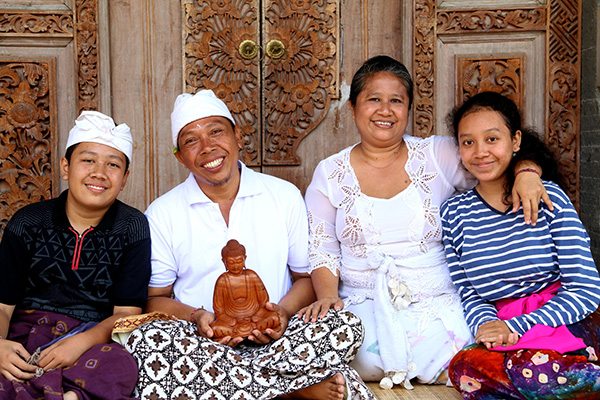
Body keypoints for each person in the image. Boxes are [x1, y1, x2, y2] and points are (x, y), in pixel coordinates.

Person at [298, 55, 551, 390]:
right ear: (353, 108)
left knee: (485, 360)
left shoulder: (438, 155)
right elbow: (323, 248)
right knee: (309, 346)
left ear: (408, 109)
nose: (385, 110)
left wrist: (528, 171)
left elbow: (496, 152)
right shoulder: (330, 173)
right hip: (362, 310)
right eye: (374, 99)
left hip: (438, 307)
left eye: (396, 101)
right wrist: (328, 297)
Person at [125, 89, 374, 400]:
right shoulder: (164, 212)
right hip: (205, 344)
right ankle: (289, 391)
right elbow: (156, 299)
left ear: (238, 136)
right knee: (147, 341)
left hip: (279, 340)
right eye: (191, 140)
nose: (207, 147)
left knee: (343, 324)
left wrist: (281, 313)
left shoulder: (282, 196)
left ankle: (232, 387)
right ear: (180, 156)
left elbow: (305, 279)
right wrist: (199, 318)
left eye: (216, 131)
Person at [441, 91, 600, 399]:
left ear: (515, 142)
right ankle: (574, 383)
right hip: (507, 333)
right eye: (468, 142)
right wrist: (488, 325)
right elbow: (469, 291)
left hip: (565, 319)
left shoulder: (548, 197)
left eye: (491, 139)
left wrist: (516, 327)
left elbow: (585, 289)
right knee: (465, 368)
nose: (480, 152)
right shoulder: (454, 213)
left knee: (528, 369)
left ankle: (571, 376)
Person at [0, 111, 151, 400]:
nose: (99, 173)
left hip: (92, 339)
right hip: (26, 334)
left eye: (113, 164)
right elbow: (4, 306)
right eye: (88, 160)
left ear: (125, 178)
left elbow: (126, 315)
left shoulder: (132, 226)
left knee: (122, 366)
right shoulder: (28, 222)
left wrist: (81, 343)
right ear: (65, 167)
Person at [211, 239, 280, 339]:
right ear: (224, 261)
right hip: (232, 323)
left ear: (245, 259)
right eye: (231, 262)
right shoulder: (222, 281)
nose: (235, 266)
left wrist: (256, 316)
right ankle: (249, 332)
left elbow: (264, 302)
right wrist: (232, 321)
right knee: (215, 329)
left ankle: (252, 331)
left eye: (239, 261)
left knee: (274, 319)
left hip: (256, 318)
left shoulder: (252, 276)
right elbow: (219, 310)